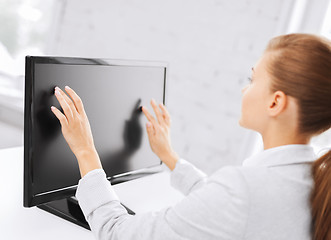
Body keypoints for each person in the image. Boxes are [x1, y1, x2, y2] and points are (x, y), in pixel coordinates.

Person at [50, 33, 331, 240]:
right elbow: (225, 206)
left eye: (252, 80)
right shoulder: (311, 175)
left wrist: (85, 150)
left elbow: (116, 233)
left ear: (275, 103)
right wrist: (169, 157)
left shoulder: (244, 190)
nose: (245, 89)